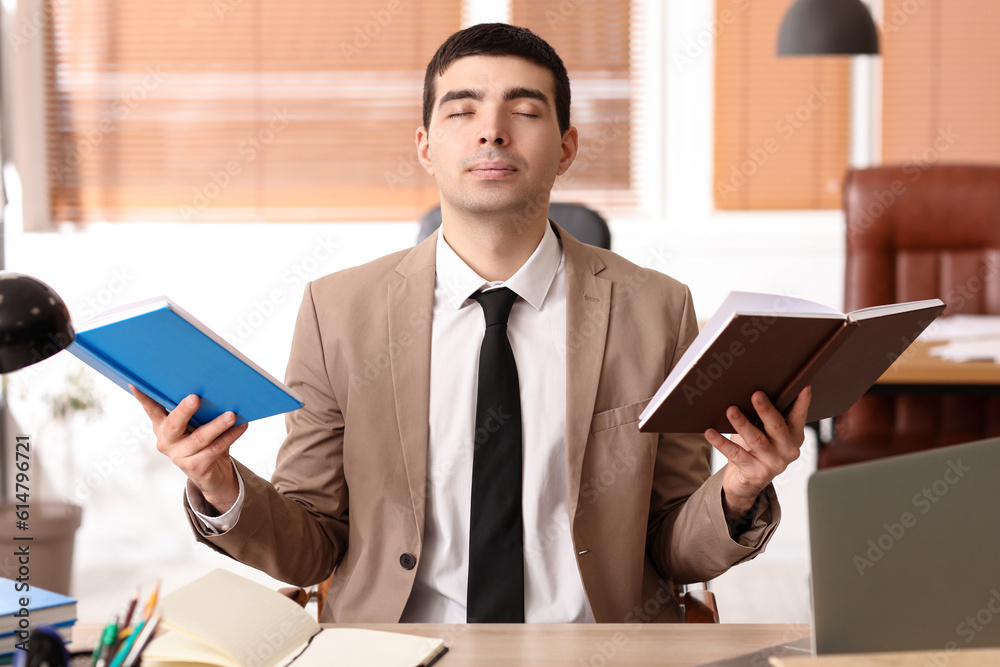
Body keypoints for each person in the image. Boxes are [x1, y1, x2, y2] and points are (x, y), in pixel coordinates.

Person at [133, 23, 810, 623]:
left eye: (524, 109)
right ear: (425, 146)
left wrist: (741, 485)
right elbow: (313, 545)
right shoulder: (337, 311)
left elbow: (669, 544)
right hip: (399, 649)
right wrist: (218, 481)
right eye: (463, 110)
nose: (492, 130)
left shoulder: (656, 308)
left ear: (567, 146)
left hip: (593, 647)